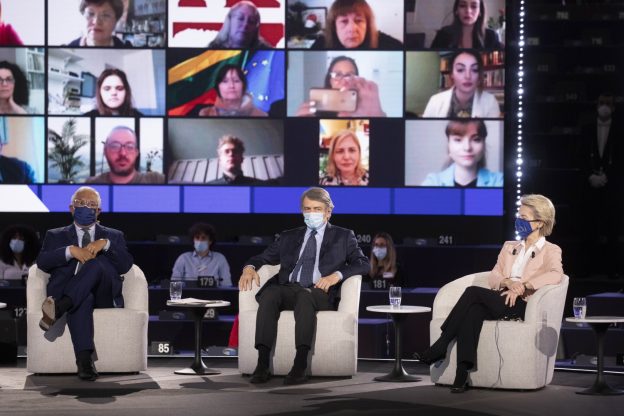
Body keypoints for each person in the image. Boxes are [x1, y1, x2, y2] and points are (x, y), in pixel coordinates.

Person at [414, 194, 564, 393]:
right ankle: (461, 374)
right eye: (518, 216)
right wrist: (508, 282)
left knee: (472, 292)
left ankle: (441, 345)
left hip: (523, 303)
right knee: (473, 311)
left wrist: (523, 285)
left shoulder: (551, 250)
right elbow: (494, 275)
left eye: (524, 217)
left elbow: (556, 274)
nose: (518, 221)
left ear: (540, 223)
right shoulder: (509, 246)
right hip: (500, 297)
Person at [239, 187, 369, 385]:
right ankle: (262, 363)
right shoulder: (289, 236)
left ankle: (300, 365)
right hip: (289, 287)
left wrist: (336, 275)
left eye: (317, 209)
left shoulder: (343, 236)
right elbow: (262, 258)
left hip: (319, 292)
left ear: (328, 212)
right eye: (307, 209)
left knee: (304, 295)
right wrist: (249, 268)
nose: (311, 213)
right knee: (270, 294)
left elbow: (363, 264)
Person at [37, 186, 134, 381]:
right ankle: (84, 362)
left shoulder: (114, 235)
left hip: (103, 293)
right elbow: (43, 262)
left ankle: (59, 308)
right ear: (71, 208)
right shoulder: (55, 235)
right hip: (74, 291)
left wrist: (105, 244)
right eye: (81, 203)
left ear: (98, 211)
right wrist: (70, 251)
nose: (86, 207)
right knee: (83, 298)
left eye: (91, 204)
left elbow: (125, 265)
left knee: (95, 264)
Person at [577, 93, 623, 279]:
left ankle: (613, 270)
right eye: (602, 103)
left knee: (612, 229)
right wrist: (590, 176)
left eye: (608, 104)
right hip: (590, 186)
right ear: (597, 106)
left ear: (613, 108)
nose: (604, 107)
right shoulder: (587, 129)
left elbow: (621, 159)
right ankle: (586, 269)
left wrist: (608, 177)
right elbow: (579, 156)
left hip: (612, 188)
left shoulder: (620, 131)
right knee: (589, 228)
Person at [296, 55, 385, 117]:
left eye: (349, 75)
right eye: (338, 74)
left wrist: (377, 116)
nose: (344, 81)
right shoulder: (314, 112)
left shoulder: (366, 109)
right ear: (330, 81)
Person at [422, 119, 502, 187]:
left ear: (484, 144)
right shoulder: (432, 182)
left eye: (476, 139)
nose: (467, 147)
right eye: (458, 140)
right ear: (448, 145)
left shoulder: (499, 181)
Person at [423, 50, 500, 118]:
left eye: (474, 70)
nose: (468, 76)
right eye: (460, 70)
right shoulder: (435, 101)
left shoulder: (490, 102)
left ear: (479, 74)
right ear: (452, 74)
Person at [85, 126, 165, 184]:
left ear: (136, 152)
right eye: (115, 146)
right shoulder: (91, 184)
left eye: (129, 147)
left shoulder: (156, 180)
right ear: (105, 151)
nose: (122, 153)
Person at [310, 0, 402, 50]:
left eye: (358, 21)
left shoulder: (388, 44)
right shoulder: (320, 44)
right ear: (334, 26)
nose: (352, 29)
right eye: (344, 21)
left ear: (367, 24)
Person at [196, 65, 267, 117]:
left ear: (243, 85)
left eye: (236, 81)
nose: (231, 86)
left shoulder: (260, 115)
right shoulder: (205, 113)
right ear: (218, 86)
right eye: (225, 81)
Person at [430, 0, 502, 49]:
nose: (468, 11)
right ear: (456, 10)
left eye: (474, 6)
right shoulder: (443, 34)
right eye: (462, 5)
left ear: (480, 12)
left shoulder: (491, 36)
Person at [208, 1, 272, 49]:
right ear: (230, 20)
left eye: (251, 21)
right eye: (240, 18)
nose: (245, 25)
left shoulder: (267, 51)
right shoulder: (211, 50)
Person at [66, 0, 131, 47]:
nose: (96, 22)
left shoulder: (128, 51)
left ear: (116, 21)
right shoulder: (68, 51)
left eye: (105, 15)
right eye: (90, 14)